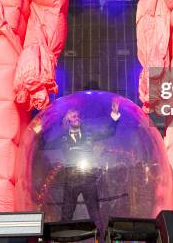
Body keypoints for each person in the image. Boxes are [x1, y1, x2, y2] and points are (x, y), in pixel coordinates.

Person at [33, 99, 121, 232]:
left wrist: (114, 114)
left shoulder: (89, 134)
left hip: (88, 178)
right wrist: (40, 128)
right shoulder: (63, 139)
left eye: (78, 116)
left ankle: (102, 239)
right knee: (67, 214)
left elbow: (109, 132)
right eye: (74, 116)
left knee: (95, 214)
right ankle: (63, 239)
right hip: (71, 180)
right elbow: (44, 145)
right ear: (68, 121)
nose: (77, 118)